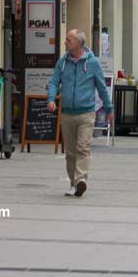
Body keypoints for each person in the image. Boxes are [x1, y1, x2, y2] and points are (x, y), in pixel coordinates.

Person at [47, 29, 112, 196]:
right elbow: (54, 82)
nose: (65, 42)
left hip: (86, 113)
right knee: (70, 152)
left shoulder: (92, 62)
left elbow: (101, 87)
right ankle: (73, 182)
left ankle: (81, 179)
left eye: (68, 40)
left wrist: (109, 108)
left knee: (82, 147)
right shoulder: (62, 62)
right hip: (67, 113)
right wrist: (51, 99)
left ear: (78, 43)